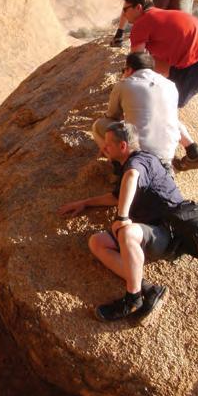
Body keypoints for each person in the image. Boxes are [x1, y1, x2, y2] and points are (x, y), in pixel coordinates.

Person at [58, 122, 181, 321]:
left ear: (123, 146)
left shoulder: (139, 162)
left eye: (107, 144)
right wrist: (85, 203)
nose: (103, 148)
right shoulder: (132, 163)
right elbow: (116, 197)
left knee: (127, 232)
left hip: (167, 233)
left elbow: (132, 176)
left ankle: (132, 299)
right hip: (150, 229)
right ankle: (149, 289)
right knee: (97, 242)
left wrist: (122, 218)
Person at [122, 0, 198, 170]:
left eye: (125, 9)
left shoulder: (142, 23)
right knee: (158, 91)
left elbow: (135, 63)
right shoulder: (160, 16)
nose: (124, 14)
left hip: (197, 65)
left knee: (162, 107)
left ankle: (193, 153)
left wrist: (123, 87)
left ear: (138, 7)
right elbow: (154, 64)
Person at [93, 52, 180, 168]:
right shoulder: (171, 85)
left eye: (124, 70)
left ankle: (118, 162)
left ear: (129, 69)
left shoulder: (124, 84)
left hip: (138, 153)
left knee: (98, 125)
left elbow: (112, 116)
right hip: (168, 153)